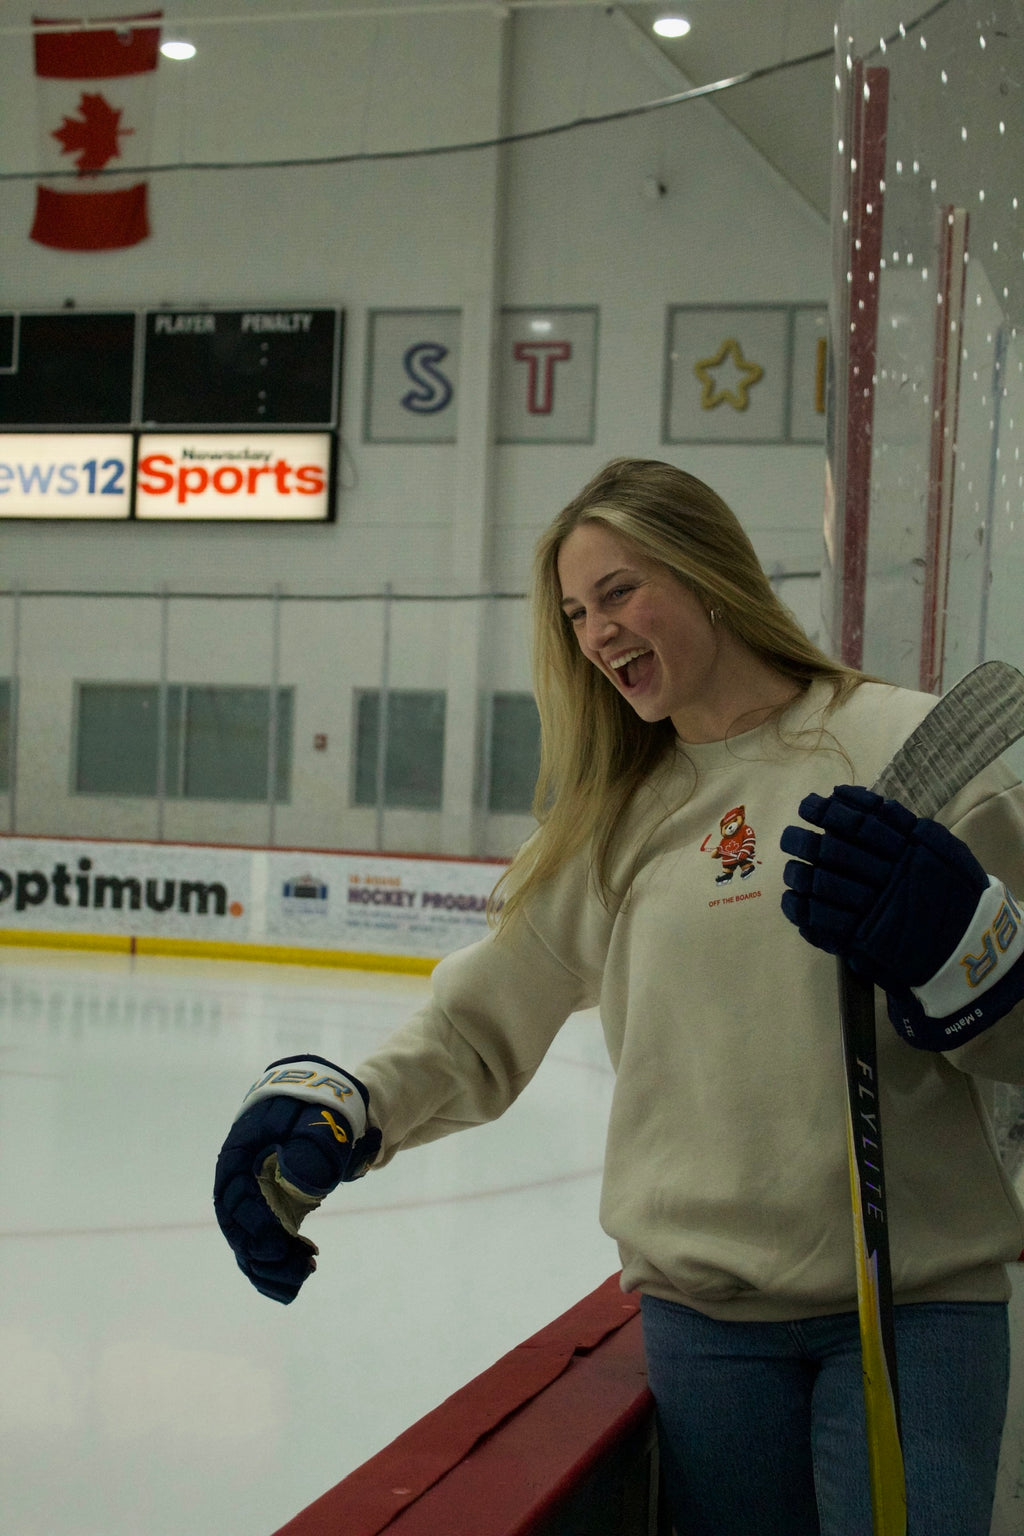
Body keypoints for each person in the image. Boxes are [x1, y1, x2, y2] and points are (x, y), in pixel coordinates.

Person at [214, 458, 1024, 1536]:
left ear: (710, 575)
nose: (596, 633)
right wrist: (349, 1105)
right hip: (706, 1327)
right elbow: (477, 1019)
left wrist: (962, 956)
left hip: (908, 1314)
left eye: (618, 592)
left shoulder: (910, 752)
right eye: (573, 614)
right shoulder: (613, 820)